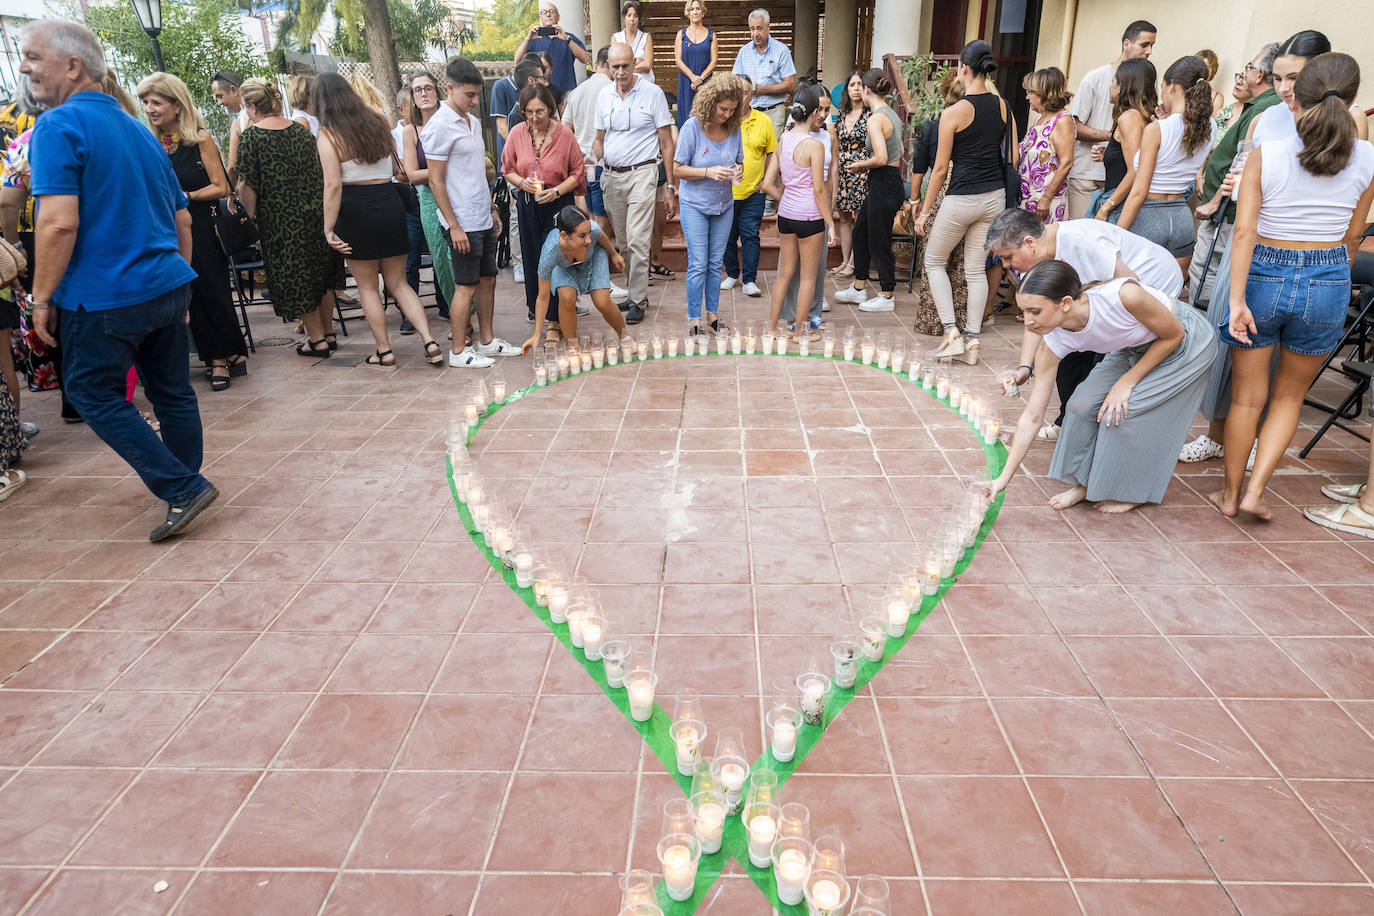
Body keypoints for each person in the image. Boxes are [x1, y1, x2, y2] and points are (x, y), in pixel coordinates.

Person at [24, 20, 218, 541]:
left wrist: (41, 298)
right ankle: (186, 480)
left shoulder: (58, 127)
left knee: (91, 392)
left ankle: (182, 486)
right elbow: (180, 219)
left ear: (73, 65)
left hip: (106, 294)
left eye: (33, 56)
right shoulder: (138, 128)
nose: (24, 67)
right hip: (165, 280)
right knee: (173, 390)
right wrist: (183, 278)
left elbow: (58, 222)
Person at [1209, 52, 1374, 521]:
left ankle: (1230, 494)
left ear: (1295, 100)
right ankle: (1257, 491)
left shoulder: (1269, 153)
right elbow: (1353, 235)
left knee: (1247, 397)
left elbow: (1243, 234)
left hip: (1265, 272)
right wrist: (1330, 274)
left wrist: (1237, 299)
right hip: (1328, 275)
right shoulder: (1368, 157)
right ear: (1354, 100)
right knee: (1289, 397)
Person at [1188, 32, 1353, 465]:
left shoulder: (1352, 124)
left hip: (1305, 257)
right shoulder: (1268, 118)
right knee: (1232, 352)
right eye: (1277, 77)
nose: (1284, 89)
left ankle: (1257, 441)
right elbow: (1243, 171)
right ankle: (1218, 435)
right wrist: (1235, 186)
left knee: (1283, 368)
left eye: (1294, 78)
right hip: (1251, 248)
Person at [985, 261, 1217, 514]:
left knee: (1125, 410)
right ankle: (1086, 484)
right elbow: (1031, 417)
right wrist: (1002, 479)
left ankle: (1133, 490)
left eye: (1035, 311)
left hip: (1186, 339)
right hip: (1135, 344)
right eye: (1024, 311)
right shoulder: (1053, 341)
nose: (1028, 322)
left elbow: (1174, 335)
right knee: (1081, 405)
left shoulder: (1123, 296)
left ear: (1064, 303)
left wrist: (1126, 382)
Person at [986, 207, 1185, 438]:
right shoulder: (1038, 258)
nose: (1005, 265)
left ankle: (1100, 427)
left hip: (1154, 286)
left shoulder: (1080, 243)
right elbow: (1035, 319)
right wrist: (1024, 368)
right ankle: (1071, 422)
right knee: (1066, 345)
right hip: (1105, 297)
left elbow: (1130, 285)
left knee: (1102, 361)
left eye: (1008, 257)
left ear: (1029, 243)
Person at [314, 73, 442, 370]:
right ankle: (429, 340)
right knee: (399, 284)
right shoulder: (377, 120)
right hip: (389, 202)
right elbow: (394, 163)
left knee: (368, 287)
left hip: (356, 209)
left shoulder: (328, 134)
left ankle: (384, 351)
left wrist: (327, 227)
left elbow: (332, 185)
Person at [137, 72, 249, 391]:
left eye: (156, 102)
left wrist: (187, 196)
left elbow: (221, 186)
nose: (149, 108)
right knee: (187, 295)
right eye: (145, 102)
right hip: (163, 230)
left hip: (200, 225)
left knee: (210, 292)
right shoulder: (149, 142)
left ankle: (219, 359)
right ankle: (226, 353)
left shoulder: (199, 138)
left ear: (176, 104)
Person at [911, 41, 1015, 364]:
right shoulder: (1003, 107)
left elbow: (940, 168)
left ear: (964, 69)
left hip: (961, 198)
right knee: (975, 270)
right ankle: (972, 342)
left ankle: (951, 333)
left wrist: (924, 211)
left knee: (934, 261)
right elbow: (1013, 156)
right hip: (994, 198)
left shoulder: (953, 112)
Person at [234, 78, 343, 358]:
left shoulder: (252, 137)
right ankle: (328, 333)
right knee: (321, 276)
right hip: (316, 212)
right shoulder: (300, 131)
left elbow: (247, 184)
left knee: (296, 277)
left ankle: (316, 340)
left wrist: (250, 218)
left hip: (280, 219)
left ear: (251, 106)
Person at [423, 56, 518, 367]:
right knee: (466, 286)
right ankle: (459, 351)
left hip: (481, 215)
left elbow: (477, 170)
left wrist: (491, 207)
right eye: (469, 95)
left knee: (488, 279)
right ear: (450, 89)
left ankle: (487, 341)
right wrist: (453, 225)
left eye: (478, 94)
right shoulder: (438, 126)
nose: (476, 101)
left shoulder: (473, 122)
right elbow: (435, 181)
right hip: (459, 220)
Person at [593, 42, 676, 325]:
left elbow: (666, 143)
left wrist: (671, 187)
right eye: (614, 67)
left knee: (639, 240)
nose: (619, 72)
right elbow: (599, 138)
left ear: (634, 63)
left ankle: (639, 299)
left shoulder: (652, 94)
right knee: (624, 242)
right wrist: (594, 155)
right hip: (611, 175)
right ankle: (632, 291)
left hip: (643, 173)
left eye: (625, 66)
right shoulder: (604, 96)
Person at [1117, 56, 1217, 278]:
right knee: (1166, 296)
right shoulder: (1210, 126)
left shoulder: (1158, 129)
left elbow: (1139, 191)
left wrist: (1117, 233)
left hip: (1148, 217)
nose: (1161, 93)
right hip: (1181, 218)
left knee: (1130, 295)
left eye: (1162, 87)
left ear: (1172, 87)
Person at [503, 82, 588, 323]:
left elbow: (577, 173)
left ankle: (557, 314)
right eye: (528, 112)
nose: (534, 117)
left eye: (539, 111)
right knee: (532, 256)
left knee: (555, 257)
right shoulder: (518, 133)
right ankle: (536, 307)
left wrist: (557, 192)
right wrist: (521, 183)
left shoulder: (564, 134)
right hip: (528, 202)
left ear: (549, 109)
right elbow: (507, 169)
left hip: (558, 204)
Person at [674, 73, 745, 336]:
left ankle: (712, 314)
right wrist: (708, 172)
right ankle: (694, 317)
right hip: (694, 205)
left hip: (724, 205)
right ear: (710, 102)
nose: (727, 114)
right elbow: (678, 169)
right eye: (723, 108)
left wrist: (738, 171)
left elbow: (739, 162)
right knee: (698, 263)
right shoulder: (692, 127)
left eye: (732, 109)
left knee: (716, 263)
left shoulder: (734, 129)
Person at [1066, 20, 1157, 220]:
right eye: (1144, 45)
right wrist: (1114, 140)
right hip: (1088, 174)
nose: (1149, 51)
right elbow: (1074, 127)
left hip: (1118, 184)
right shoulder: (1095, 77)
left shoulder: (1133, 110)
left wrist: (1107, 206)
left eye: (1152, 46)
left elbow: (1136, 165)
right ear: (1126, 44)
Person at [834, 69, 905, 313]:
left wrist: (858, 165)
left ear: (865, 90)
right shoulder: (892, 114)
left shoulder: (875, 118)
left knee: (879, 240)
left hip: (884, 181)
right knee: (861, 233)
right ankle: (858, 288)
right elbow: (901, 151)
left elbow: (881, 157)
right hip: (886, 181)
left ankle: (887, 295)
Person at [768, 84, 834, 341]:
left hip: (785, 215)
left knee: (784, 273)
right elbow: (819, 190)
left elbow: (771, 182)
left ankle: (773, 329)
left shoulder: (784, 139)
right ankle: (798, 333)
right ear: (814, 111)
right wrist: (830, 222)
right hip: (809, 217)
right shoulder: (814, 146)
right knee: (807, 278)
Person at [909, 70, 969, 337]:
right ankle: (963, 321)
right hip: (971, 190)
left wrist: (918, 204)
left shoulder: (934, 126)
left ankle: (935, 320)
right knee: (962, 263)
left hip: (942, 191)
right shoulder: (978, 125)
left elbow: (924, 168)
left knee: (934, 258)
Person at [521, 205, 628, 352]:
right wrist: (536, 334)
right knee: (566, 297)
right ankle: (572, 346)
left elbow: (600, 236)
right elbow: (542, 297)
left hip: (593, 257)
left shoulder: (592, 232)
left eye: (589, 233)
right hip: (565, 267)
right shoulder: (550, 252)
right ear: (564, 235)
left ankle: (625, 336)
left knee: (602, 301)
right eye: (583, 235)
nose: (589, 239)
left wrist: (614, 254)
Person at [402, 72, 456, 318]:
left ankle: (465, 311)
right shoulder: (410, 131)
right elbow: (412, 174)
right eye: (418, 90)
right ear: (413, 98)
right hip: (429, 198)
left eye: (428, 88)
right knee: (441, 260)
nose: (423, 93)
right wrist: (442, 168)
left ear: (438, 92)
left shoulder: (452, 122)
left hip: (457, 193)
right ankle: (456, 314)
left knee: (459, 256)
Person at [721, 76, 775, 298]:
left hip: (754, 191)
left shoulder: (763, 121)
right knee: (727, 236)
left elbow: (772, 153)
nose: (739, 96)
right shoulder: (723, 119)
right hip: (725, 191)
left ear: (751, 94)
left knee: (751, 235)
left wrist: (766, 182)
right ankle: (732, 274)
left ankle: (750, 280)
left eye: (744, 92)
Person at [1088, 58, 1156, 225]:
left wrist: (1106, 206)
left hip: (1120, 204)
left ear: (1122, 86)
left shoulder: (1129, 118)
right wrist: (1111, 154)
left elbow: (1136, 169)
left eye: (1113, 82)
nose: (1110, 87)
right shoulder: (1142, 117)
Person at [1018, 67, 1074, 224]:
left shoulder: (1063, 121)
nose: (1027, 97)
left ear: (1044, 93)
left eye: (1031, 92)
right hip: (1029, 196)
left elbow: (1067, 162)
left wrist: (1046, 198)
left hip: (1046, 200)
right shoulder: (1040, 119)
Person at [731, 9, 795, 142]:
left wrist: (763, 90)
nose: (755, 34)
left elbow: (790, 85)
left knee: (771, 155)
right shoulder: (743, 52)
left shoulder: (781, 50)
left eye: (759, 28)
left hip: (773, 112)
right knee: (747, 153)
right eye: (752, 29)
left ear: (768, 27)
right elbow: (734, 81)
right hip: (747, 112)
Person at [832, 70, 868, 279]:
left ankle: (853, 263)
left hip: (863, 172)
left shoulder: (870, 114)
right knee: (844, 218)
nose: (855, 88)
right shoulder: (842, 114)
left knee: (858, 219)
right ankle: (844, 261)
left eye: (859, 84)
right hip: (844, 172)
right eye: (852, 84)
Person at [514, 0, 589, 96]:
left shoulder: (568, 37)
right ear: (541, 17)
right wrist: (527, 39)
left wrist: (567, 39)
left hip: (566, 93)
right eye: (544, 12)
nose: (548, 15)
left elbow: (585, 58)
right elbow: (517, 60)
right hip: (541, 93)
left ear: (558, 16)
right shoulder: (534, 38)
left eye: (551, 11)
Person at [675, 0, 716, 129]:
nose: (695, 11)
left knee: (706, 116)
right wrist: (693, 77)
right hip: (686, 81)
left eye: (698, 8)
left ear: (703, 12)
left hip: (706, 82)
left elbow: (714, 61)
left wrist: (701, 79)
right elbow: (678, 60)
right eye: (692, 9)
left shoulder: (711, 35)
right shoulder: (681, 35)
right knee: (687, 117)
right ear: (688, 13)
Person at [210, 69, 247, 184]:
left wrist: (230, 193)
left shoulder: (240, 122)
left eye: (220, 96)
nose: (219, 102)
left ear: (233, 90)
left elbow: (232, 165)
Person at [613, 1, 655, 84]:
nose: (632, 19)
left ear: (639, 19)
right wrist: (638, 62)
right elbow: (616, 63)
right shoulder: (616, 37)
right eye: (629, 15)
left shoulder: (646, 37)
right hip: (624, 83)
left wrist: (626, 67)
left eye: (635, 16)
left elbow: (648, 64)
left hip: (645, 82)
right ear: (624, 17)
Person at [1195, 49, 1226, 116]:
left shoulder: (1217, 97)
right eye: (1200, 65)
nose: (1203, 69)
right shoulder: (1182, 87)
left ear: (1212, 71)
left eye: (1207, 67)